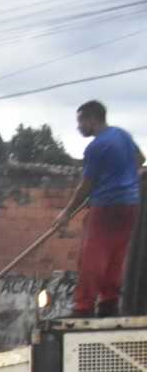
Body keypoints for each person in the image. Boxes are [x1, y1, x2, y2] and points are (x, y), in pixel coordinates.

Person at [56, 100, 144, 318]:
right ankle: (108, 305)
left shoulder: (96, 147)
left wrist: (66, 212)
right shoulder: (122, 135)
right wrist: (123, 178)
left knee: (92, 257)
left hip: (106, 208)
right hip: (130, 206)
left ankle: (82, 308)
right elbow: (140, 159)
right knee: (115, 255)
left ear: (92, 120)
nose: (79, 127)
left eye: (80, 122)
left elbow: (86, 185)